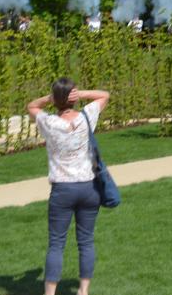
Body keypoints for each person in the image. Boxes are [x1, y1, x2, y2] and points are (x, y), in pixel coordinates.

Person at [27, 78, 111, 295]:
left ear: (55, 100)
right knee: (86, 241)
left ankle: (50, 293)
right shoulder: (86, 117)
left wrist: (52, 98)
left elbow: (32, 106)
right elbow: (105, 95)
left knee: (56, 243)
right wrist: (80, 93)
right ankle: (83, 291)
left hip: (62, 189)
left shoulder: (49, 122)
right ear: (73, 98)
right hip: (88, 188)